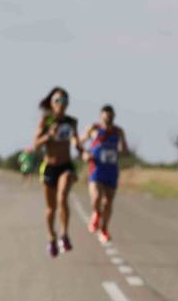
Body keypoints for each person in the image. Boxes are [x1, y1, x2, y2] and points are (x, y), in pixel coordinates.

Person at [32, 87, 81, 257]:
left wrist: (79, 146)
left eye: (64, 101)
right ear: (52, 104)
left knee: (62, 198)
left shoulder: (71, 121)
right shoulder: (46, 121)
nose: (61, 104)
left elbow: (75, 138)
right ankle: (51, 236)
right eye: (57, 101)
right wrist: (48, 136)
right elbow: (36, 144)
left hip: (65, 166)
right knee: (50, 209)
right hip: (49, 167)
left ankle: (64, 234)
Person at [82, 105, 128, 244]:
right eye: (105, 116)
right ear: (101, 116)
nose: (108, 119)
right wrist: (84, 153)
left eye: (110, 116)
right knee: (96, 198)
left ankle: (104, 229)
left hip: (111, 170)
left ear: (114, 116)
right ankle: (96, 213)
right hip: (96, 169)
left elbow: (124, 149)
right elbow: (79, 141)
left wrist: (122, 149)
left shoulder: (118, 131)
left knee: (108, 202)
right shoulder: (93, 129)